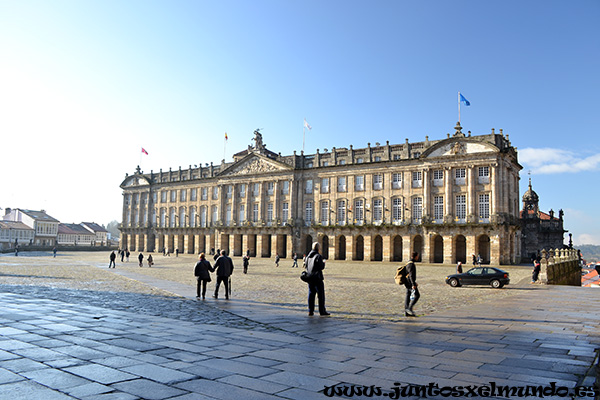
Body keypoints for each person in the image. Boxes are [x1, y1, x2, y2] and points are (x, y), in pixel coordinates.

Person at [304, 242, 330, 316]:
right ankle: (322, 311)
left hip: (310, 278)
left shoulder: (308, 256)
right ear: (318, 248)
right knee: (320, 295)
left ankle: (310, 311)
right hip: (317, 278)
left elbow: (306, 266)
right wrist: (324, 263)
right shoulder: (318, 256)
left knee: (311, 294)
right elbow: (320, 267)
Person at [404, 251, 420, 317]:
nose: (418, 258)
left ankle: (407, 311)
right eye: (417, 256)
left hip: (407, 282)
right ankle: (409, 308)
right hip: (409, 282)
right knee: (417, 295)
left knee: (408, 295)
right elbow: (411, 275)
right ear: (415, 256)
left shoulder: (409, 262)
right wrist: (413, 284)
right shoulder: (411, 264)